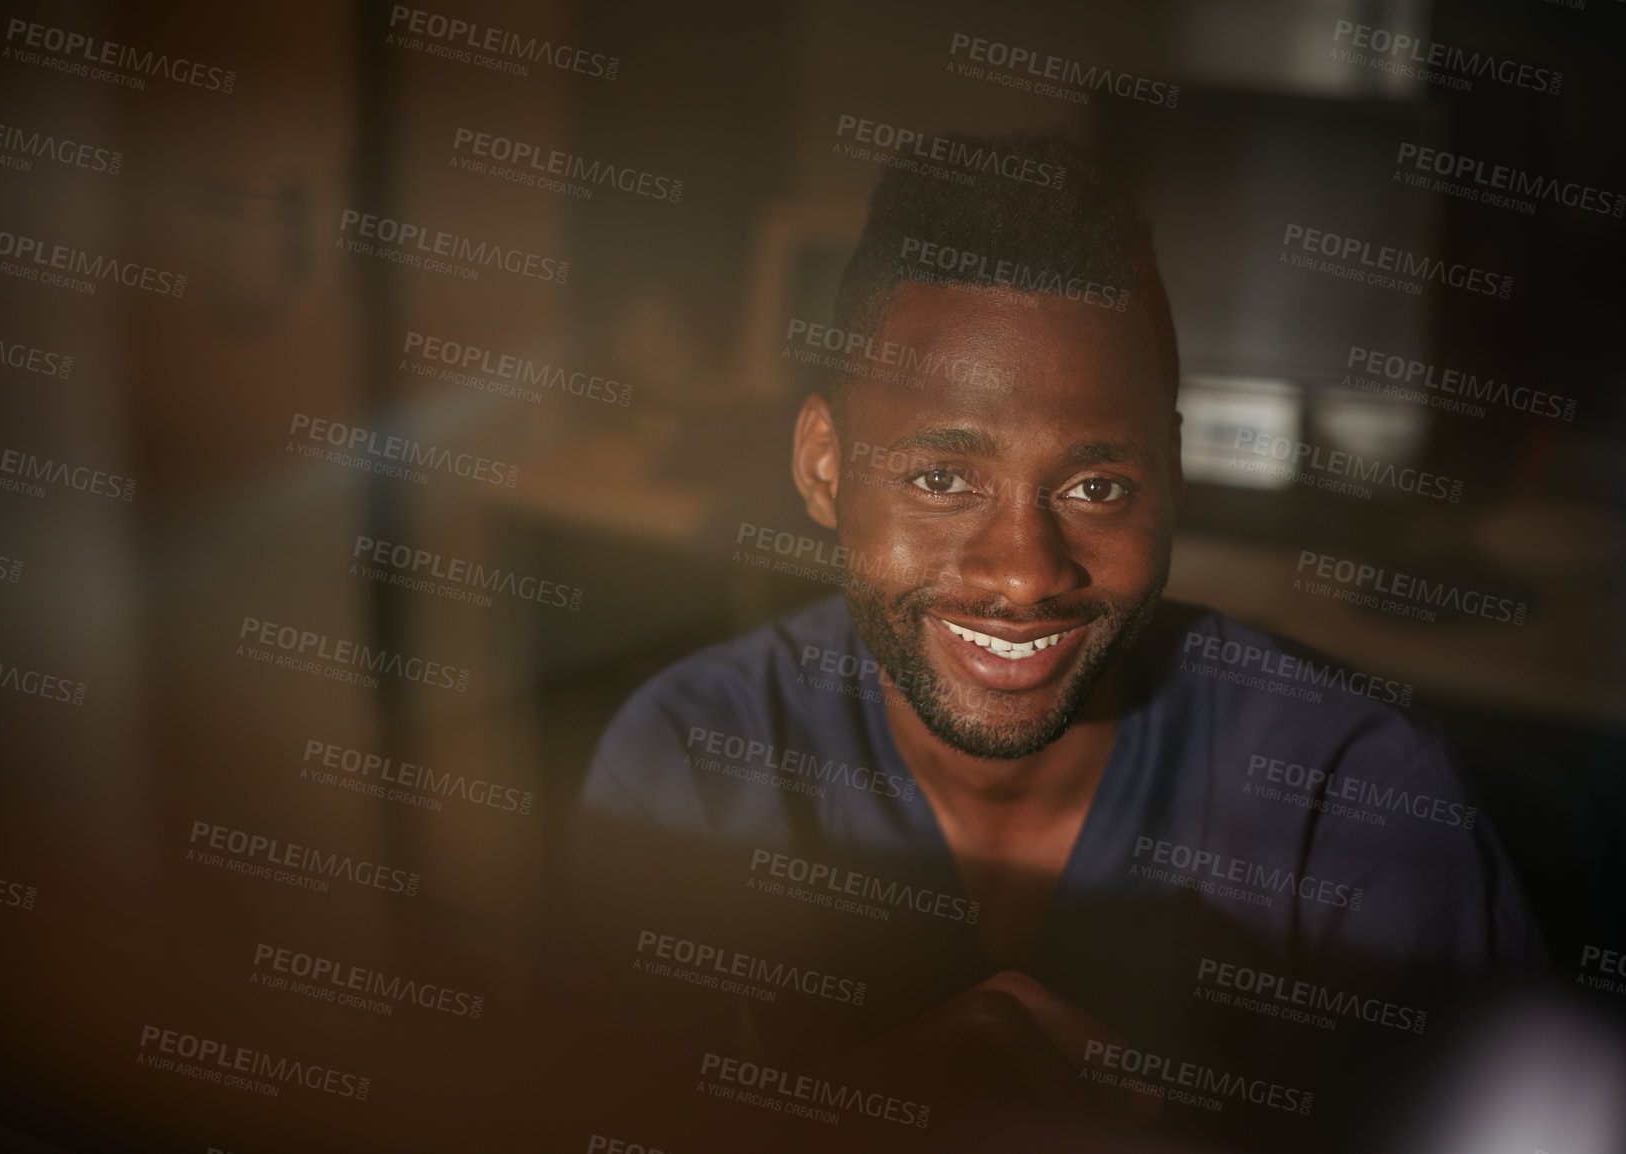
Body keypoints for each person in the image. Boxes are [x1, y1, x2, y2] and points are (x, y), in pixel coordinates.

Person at [562, 131, 1542, 1154]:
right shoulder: (690, 754)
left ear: (1171, 475)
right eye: (942, 479)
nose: (1026, 573)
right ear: (821, 467)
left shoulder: (1351, 797)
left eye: (1095, 487)